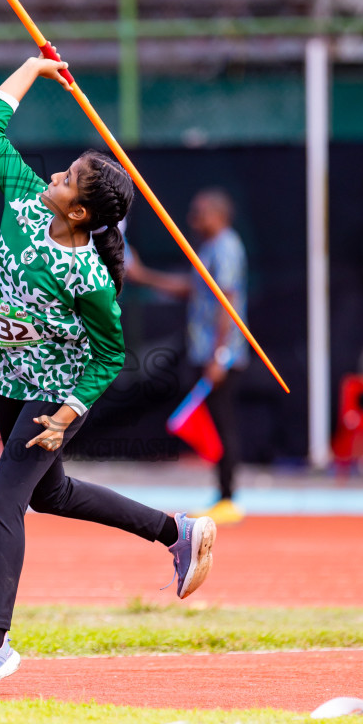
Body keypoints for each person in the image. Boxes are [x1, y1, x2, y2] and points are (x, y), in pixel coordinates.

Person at [0, 54, 217, 698]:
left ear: (81, 215)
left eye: (67, 179)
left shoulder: (91, 279)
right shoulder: (24, 200)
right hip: (8, 376)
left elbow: (108, 355)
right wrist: (33, 70)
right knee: (51, 496)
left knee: (3, 499)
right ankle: (177, 532)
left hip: (50, 392)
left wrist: (68, 413)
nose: (55, 176)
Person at [126, 189, 249, 525]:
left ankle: (229, 497)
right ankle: (223, 493)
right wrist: (144, 275)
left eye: (199, 212)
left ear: (218, 214)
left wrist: (219, 355)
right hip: (206, 352)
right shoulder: (209, 249)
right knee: (213, 423)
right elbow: (190, 287)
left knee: (223, 424)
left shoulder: (226, 248)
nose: (193, 219)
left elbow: (228, 302)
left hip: (221, 356)